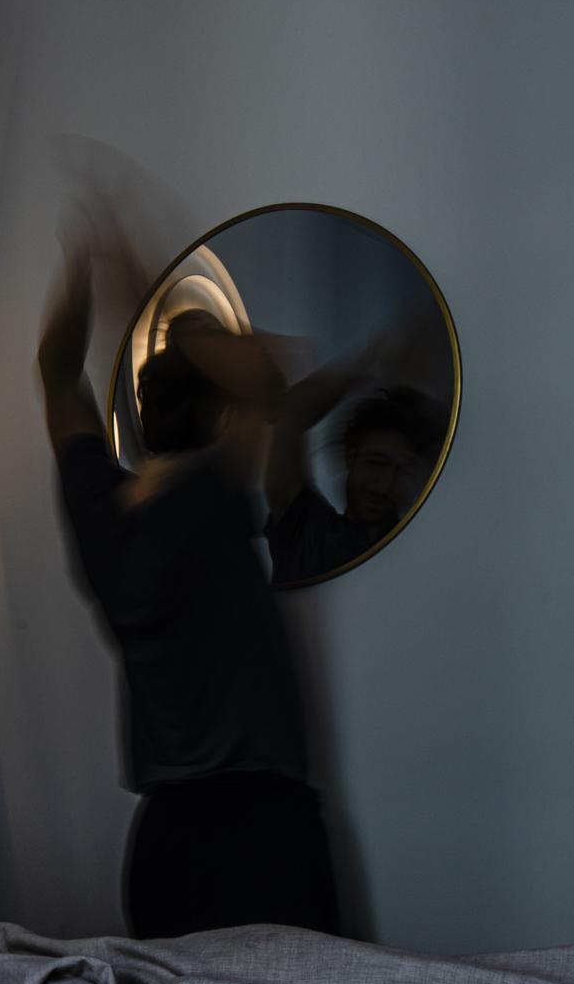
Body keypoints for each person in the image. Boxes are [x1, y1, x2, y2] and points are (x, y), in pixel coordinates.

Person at [37, 236, 341, 940]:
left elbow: (56, 373)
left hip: (164, 840)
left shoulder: (99, 510)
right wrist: (167, 302)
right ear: (217, 413)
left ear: (143, 414)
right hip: (264, 826)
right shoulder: (211, 489)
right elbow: (266, 379)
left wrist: (80, 262)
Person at [264, 322, 447, 586]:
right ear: (350, 457)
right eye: (376, 463)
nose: (384, 486)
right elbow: (290, 414)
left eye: (403, 470)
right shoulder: (308, 531)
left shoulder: (425, 552)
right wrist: (369, 364)